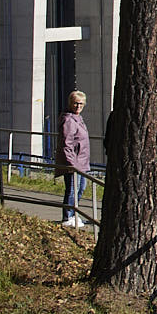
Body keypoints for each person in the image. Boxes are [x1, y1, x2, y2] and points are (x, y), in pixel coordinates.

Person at [56, 90, 94, 229]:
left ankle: (73, 213)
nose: (78, 106)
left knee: (81, 188)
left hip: (83, 162)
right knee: (72, 189)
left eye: (81, 104)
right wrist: (71, 164)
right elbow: (67, 143)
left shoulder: (78, 118)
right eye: (76, 103)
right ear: (70, 103)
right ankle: (68, 216)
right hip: (74, 163)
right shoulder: (69, 120)